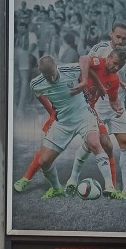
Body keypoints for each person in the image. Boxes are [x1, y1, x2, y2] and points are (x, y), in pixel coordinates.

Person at [13, 56, 116, 199]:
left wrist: (93, 84)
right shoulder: (35, 83)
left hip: (83, 115)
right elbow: (39, 95)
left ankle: (109, 186)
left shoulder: (70, 69)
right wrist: (52, 113)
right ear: (41, 73)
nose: (51, 78)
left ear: (57, 66)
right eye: (47, 76)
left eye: (53, 73)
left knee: (94, 142)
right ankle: (57, 189)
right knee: (43, 161)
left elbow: (88, 67)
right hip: (63, 122)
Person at [75, 23, 126, 197]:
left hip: (116, 103)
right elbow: (85, 67)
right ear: (111, 34)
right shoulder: (99, 49)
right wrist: (94, 84)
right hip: (96, 105)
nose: (120, 41)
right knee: (99, 144)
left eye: (124, 38)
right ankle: (76, 178)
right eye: (118, 37)